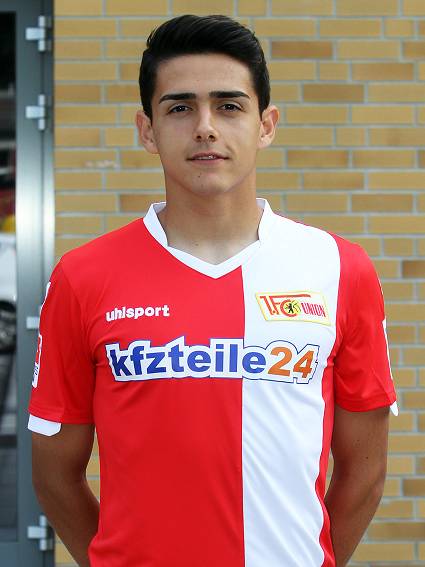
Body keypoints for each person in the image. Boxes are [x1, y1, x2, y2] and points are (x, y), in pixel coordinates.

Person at [28, 14, 397, 567]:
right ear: (147, 130)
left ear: (266, 124)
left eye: (229, 106)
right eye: (180, 108)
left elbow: (365, 472)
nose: (205, 127)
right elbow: (55, 474)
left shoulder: (340, 268)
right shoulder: (83, 276)